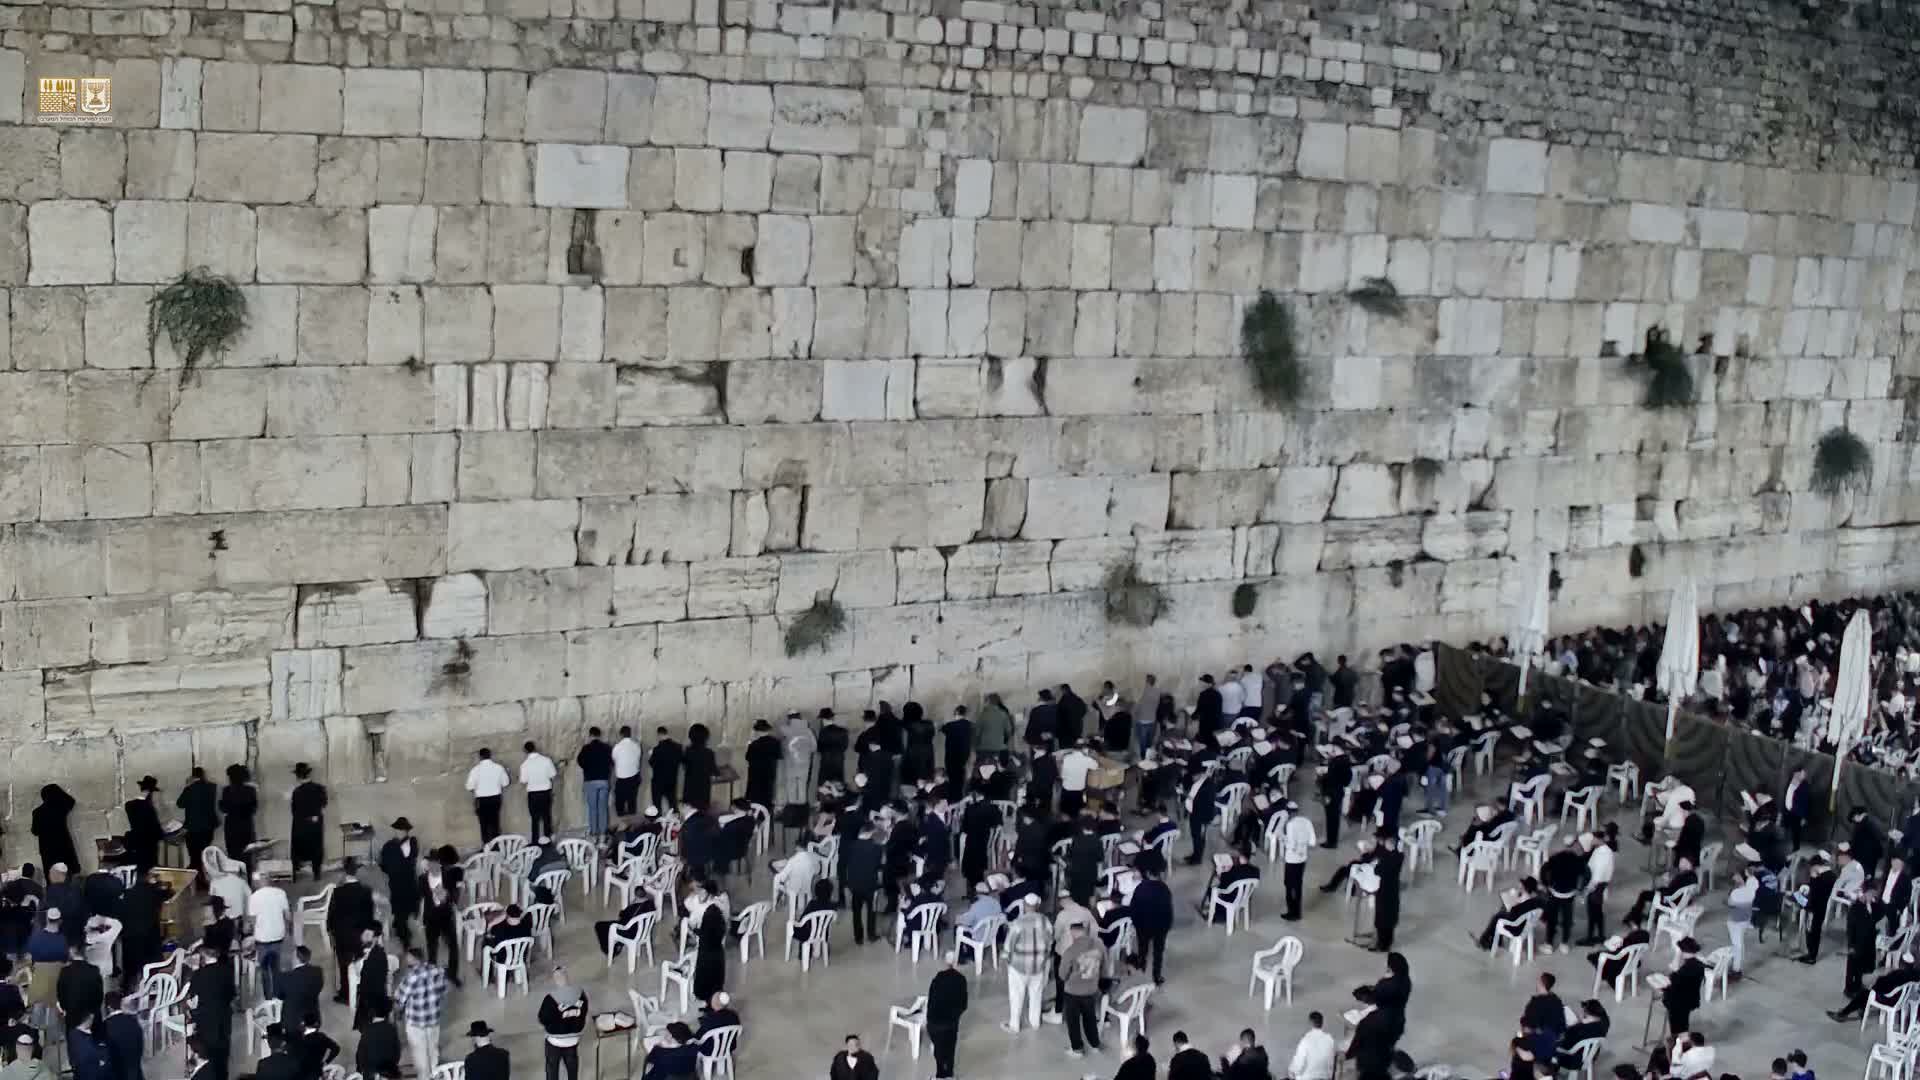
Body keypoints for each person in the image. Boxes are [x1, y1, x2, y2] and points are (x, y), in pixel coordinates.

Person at [392, 948, 448, 1080]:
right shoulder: (438, 970)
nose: (406, 960)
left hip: (416, 1023)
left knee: (419, 1054)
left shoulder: (411, 977)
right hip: (434, 1019)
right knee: (433, 1049)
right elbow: (444, 991)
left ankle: (424, 1077)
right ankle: (435, 1073)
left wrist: (397, 1014)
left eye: (408, 957)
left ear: (413, 958)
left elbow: (399, 999)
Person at [327, 862, 375, 1003]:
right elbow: (369, 915)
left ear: (345, 873)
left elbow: (332, 915)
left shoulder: (338, 892)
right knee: (361, 962)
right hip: (360, 934)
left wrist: (330, 931)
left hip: (343, 935)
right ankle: (362, 989)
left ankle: (346, 994)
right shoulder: (366, 891)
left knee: (344, 966)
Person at [187, 943, 236, 1080]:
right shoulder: (227, 970)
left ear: (203, 957)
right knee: (224, 1048)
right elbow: (232, 994)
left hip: (206, 1017)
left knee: (208, 1049)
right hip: (224, 1014)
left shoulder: (198, 974)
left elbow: (193, 999)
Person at [1002, 902, 1052, 1033]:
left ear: (1024, 905)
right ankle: (1035, 1022)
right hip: (1039, 965)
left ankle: (1014, 1025)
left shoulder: (1018, 922)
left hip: (1019, 966)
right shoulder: (1045, 921)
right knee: (1036, 994)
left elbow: (1009, 945)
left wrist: (1006, 958)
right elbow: (1050, 942)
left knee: (1016, 995)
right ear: (1038, 905)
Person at [1060, 923, 1104, 1057]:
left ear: (1073, 933)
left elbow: (1062, 974)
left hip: (1073, 991)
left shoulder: (1070, 951)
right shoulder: (1099, 946)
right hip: (1091, 989)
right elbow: (1105, 966)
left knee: (1073, 1021)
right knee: (1090, 1018)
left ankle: (1077, 1049)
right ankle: (1095, 1044)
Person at [537, 969, 587, 1080]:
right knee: (572, 1068)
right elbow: (584, 1013)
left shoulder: (551, 998)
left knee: (552, 1068)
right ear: (567, 978)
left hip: (554, 1041)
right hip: (573, 1039)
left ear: (556, 980)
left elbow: (542, 1018)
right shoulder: (580, 993)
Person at [379, 819, 421, 950]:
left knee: (404, 909)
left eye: (401, 830)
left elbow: (383, 866)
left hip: (406, 883)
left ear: (405, 831)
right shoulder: (390, 846)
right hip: (399, 883)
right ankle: (403, 933)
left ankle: (402, 931)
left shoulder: (410, 843)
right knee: (401, 910)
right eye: (397, 830)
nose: (399, 832)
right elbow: (383, 865)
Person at [248, 871, 290, 1000]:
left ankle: (268, 997)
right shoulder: (281, 893)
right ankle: (279, 994)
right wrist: (288, 931)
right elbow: (288, 916)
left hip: (262, 938)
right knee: (277, 967)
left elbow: (252, 921)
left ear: (257, 882)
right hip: (278, 935)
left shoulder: (254, 897)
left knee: (265, 969)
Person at [1128, 865, 1173, 984]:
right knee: (1158, 952)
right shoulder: (1164, 889)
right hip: (1160, 926)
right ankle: (1157, 976)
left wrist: (1135, 923)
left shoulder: (1141, 888)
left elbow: (1133, 908)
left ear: (1148, 874)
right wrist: (1167, 926)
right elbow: (1168, 910)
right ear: (1159, 874)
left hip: (1143, 925)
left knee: (1143, 950)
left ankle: (1141, 971)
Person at [177, 768, 220, 886]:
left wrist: (187, 786)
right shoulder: (212, 787)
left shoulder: (190, 788)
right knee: (203, 855)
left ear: (193, 777)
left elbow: (180, 804)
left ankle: (197, 882)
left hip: (193, 829)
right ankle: (200, 880)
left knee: (194, 856)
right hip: (208, 828)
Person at [288, 763, 328, 881]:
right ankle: (316, 873)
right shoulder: (319, 788)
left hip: (300, 824)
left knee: (297, 848)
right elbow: (324, 804)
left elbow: (294, 810)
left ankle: (294, 874)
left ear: (298, 776)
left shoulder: (296, 792)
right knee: (316, 848)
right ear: (308, 774)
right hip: (315, 823)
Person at [690, 881, 729, 1001]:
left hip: (708, 948)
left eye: (703, 891)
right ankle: (713, 998)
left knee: (706, 976)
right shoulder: (722, 903)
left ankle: (709, 999)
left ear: (708, 893)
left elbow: (705, 931)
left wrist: (695, 931)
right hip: (717, 947)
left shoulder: (709, 910)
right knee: (715, 977)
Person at [464, 749, 511, 843]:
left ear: (480, 757)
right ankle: (497, 847)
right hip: (495, 799)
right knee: (495, 823)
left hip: (481, 801)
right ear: (490, 755)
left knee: (484, 825)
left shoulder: (475, 770)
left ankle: (486, 847)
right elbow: (506, 783)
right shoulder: (499, 767)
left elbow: (469, 786)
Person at [1577, 831, 1614, 945]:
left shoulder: (1603, 854)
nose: (1591, 841)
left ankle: (1590, 937)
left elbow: (1596, 878)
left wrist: (1586, 891)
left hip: (1596, 887)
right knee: (1598, 912)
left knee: (1593, 912)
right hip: (1599, 886)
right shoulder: (1603, 850)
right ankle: (1601, 935)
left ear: (1598, 839)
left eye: (1593, 839)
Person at [58, 938, 105, 1029]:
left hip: (72, 1014)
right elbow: (99, 995)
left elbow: (61, 993)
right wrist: (93, 1012)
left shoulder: (65, 971)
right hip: (91, 1016)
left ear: (72, 951)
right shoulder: (94, 970)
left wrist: (66, 1009)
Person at [1664, 937, 1707, 1034]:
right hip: (1692, 999)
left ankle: (1677, 1040)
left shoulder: (1683, 971)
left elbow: (1673, 983)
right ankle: (1684, 1036)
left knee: (1676, 1024)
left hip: (1679, 1002)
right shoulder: (1700, 965)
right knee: (1684, 1021)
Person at [218, 766, 259, 870]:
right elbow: (254, 808)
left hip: (231, 826)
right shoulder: (250, 790)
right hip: (246, 825)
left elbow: (223, 808)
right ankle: (248, 881)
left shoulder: (226, 790)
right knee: (247, 856)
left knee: (233, 855)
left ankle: (236, 881)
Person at [576, 728, 614, 838]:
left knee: (593, 808)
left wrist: (589, 768)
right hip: (603, 781)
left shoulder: (586, 748)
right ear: (599, 735)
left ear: (590, 735)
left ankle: (594, 833)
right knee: (603, 808)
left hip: (590, 781)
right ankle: (603, 833)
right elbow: (611, 762)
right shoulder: (607, 748)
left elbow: (580, 762)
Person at [353, 924, 390, 1032]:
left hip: (373, 995)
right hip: (367, 992)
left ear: (375, 937)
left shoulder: (378, 955)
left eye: (368, 934)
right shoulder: (362, 948)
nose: (364, 936)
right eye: (364, 933)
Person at [1553, 999, 1610, 1071]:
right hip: (1591, 1055)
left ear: (1586, 1013)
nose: (1580, 1013)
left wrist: (1572, 1026)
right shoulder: (1605, 1022)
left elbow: (1566, 1044)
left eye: (1582, 1011)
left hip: (1573, 1060)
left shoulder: (1579, 1029)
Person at [277, 947, 324, 1030]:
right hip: (313, 1018)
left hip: (292, 1022)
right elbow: (319, 987)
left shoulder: (285, 977)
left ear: (296, 958)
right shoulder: (318, 972)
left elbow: (280, 995)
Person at [123, 777, 164, 873]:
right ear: (150, 793)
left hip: (136, 840)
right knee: (149, 868)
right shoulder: (148, 807)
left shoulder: (129, 805)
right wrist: (162, 834)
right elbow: (155, 827)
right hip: (149, 843)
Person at [354, 998, 402, 1080]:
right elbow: (397, 1051)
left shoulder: (367, 1030)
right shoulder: (392, 1029)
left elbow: (360, 1054)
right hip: (388, 1072)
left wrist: (360, 1070)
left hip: (371, 1072)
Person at [1371, 829, 1403, 951]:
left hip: (1384, 891)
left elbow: (1378, 870)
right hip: (1393, 892)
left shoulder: (1388, 859)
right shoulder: (1399, 856)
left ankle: (1381, 945)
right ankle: (1387, 943)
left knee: (1382, 919)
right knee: (1390, 920)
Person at [520, 741, 558, 841]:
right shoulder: (546, 760)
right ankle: (548, 838)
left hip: (533, 794)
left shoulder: (525, 764)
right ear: (535, 748)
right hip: (545, 792)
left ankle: (535, 840)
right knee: (546, 816)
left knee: (535, 818)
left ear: (525, 751)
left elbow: (523, 780)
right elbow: (553, 775)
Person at [100, 992, 142, 1080]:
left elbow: (105, 1055)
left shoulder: (105, 1025)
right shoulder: (133, 1021)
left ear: (109, 1008)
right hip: (135, 1073)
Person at [1289, 1012, 1337, 1080]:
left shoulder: (1305, 1040)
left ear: (1310, 1023)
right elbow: (1331, 1062)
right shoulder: (1330, 1039)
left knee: (1292, 1073)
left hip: (1308, 1077)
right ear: (1322, 1023)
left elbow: (1298, 1063)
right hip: (1325, 1077)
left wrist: (1292, 1071)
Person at [295, 1012, 340, 1080]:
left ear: (304, 1024)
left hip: (302, 1072)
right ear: (315, 1024)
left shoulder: (300, 1038)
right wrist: (326, 1061)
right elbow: (336, 1048)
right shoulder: (322, 1037)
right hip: (317, 1070)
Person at [612, 727, 644, 818]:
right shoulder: (636, 745)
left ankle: (622, 823)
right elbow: (638, 758)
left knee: (619, 804)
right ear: (630, 734)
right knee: (632, 802)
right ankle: (632, 825)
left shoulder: (617, 747)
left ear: (621, 734)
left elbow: (614, 759)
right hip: (634, 777)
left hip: (621, 779)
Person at [649, 727, 684, 812]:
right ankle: (676, 823)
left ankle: (658, 823)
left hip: (658, 782)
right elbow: (681, 761)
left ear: (659, 735)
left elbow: (652, 764)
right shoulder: (678, 747)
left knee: (657, 807)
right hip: (672, 781)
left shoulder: (656, 750)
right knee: (673, 805)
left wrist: (650, 755)